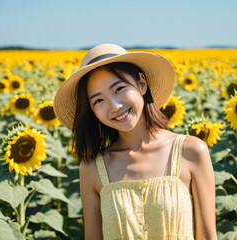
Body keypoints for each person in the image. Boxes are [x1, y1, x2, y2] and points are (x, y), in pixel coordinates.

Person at [53, 43, 217, 240]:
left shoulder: (190, 151)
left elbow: (208, 236)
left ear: (141, 84)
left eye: (119, 88)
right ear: (92, 111)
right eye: (98, 100)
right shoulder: (93, 167)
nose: (114, 106)